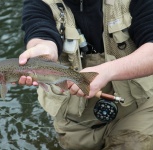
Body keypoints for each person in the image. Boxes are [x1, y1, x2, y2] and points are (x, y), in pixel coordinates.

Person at [18, 0, 153, 149]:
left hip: (136, 107)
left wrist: (107, 71)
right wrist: (43, 50)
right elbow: (41, 33)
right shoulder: (39, 3)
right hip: (74, 120)